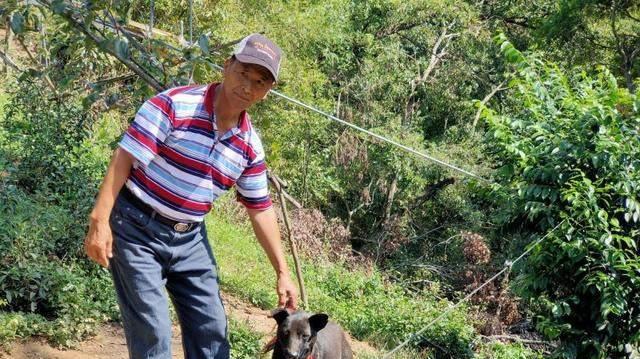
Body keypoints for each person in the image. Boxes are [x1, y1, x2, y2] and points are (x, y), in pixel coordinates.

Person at [83, 33, 298, 359]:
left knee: (212, 334)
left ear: (267, 92)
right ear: (227, 67)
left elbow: (260, 208)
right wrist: (99, 221)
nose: (247, 87)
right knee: (153, 334)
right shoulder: (174, 105)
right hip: (136, 227)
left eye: (259, 82)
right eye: (243, 74)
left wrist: (282, 271)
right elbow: (124, 158)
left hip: (190, 239)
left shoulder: (249, 146)